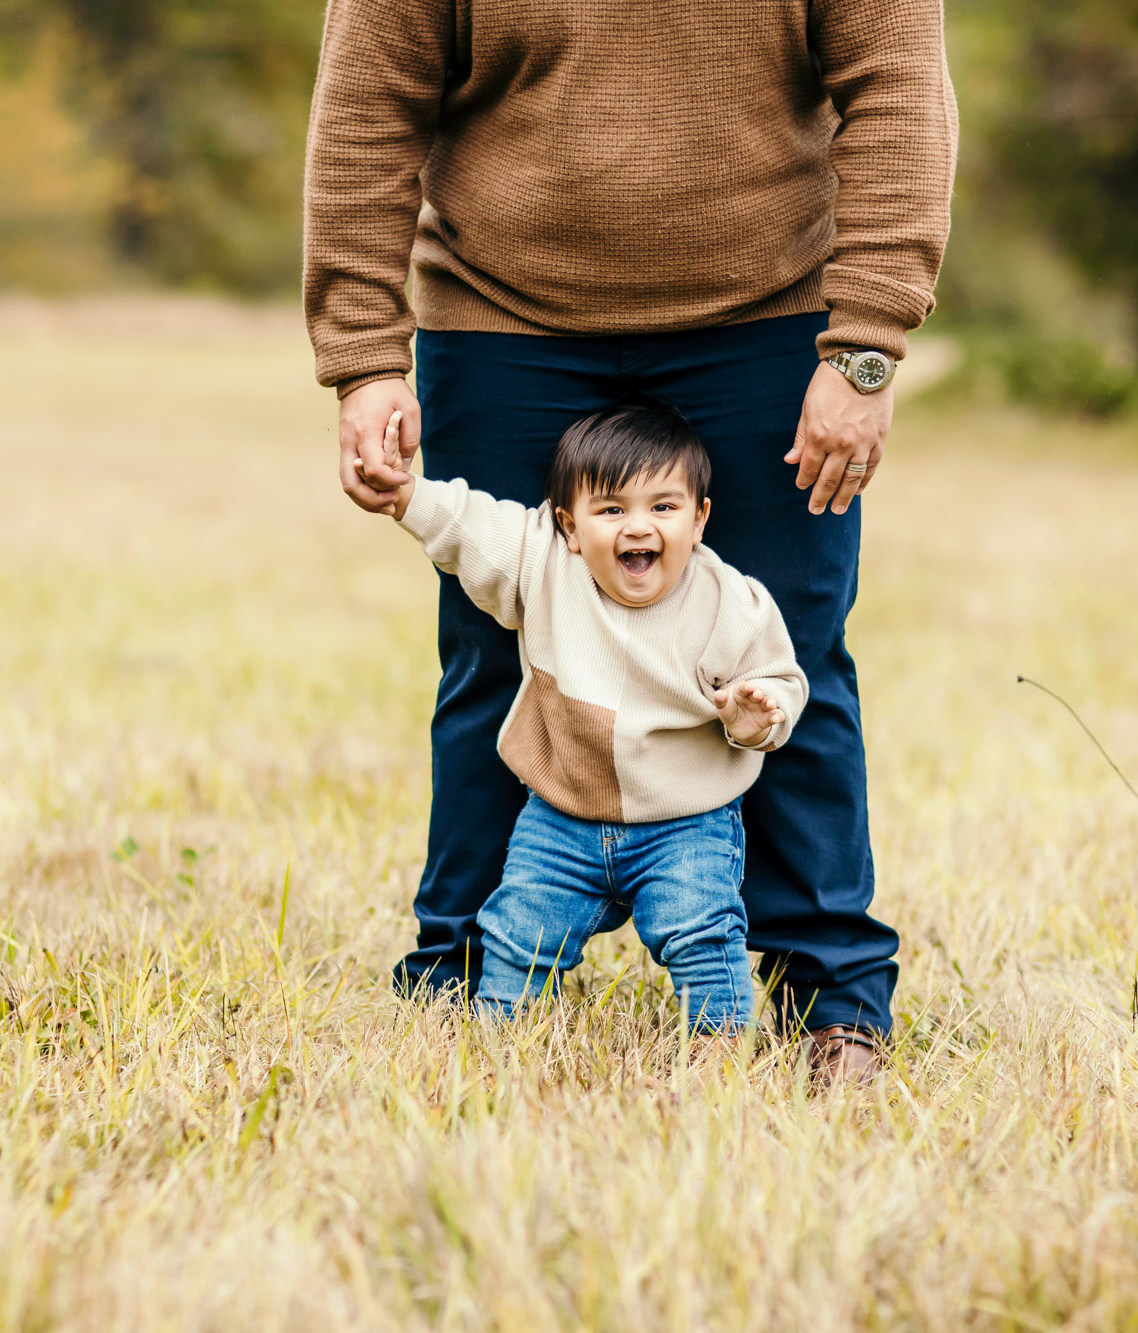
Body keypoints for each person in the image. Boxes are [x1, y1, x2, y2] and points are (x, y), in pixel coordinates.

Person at [304, 0, 956, 1082]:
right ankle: (467, 972)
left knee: (789, 653)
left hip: (765, 325)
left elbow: (897, 93)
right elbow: (370, 103)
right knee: (492, 654)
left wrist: (866, 347)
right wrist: (365, 352)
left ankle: (829, 994)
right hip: (500, 320)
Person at [367, 400, 807, 1033]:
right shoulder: (545, 564)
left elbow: (778, 679)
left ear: (700, 518)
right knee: (519, 934)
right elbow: (469, 525)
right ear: (570, 527)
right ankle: (500, 1040)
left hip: (685, 825)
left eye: (663, 507)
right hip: (560, 821)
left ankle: (718, 1051)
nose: (638, 527)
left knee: (703, 936)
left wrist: (754, 716)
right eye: (611, 510)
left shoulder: (729, 600)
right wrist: (406, 496)